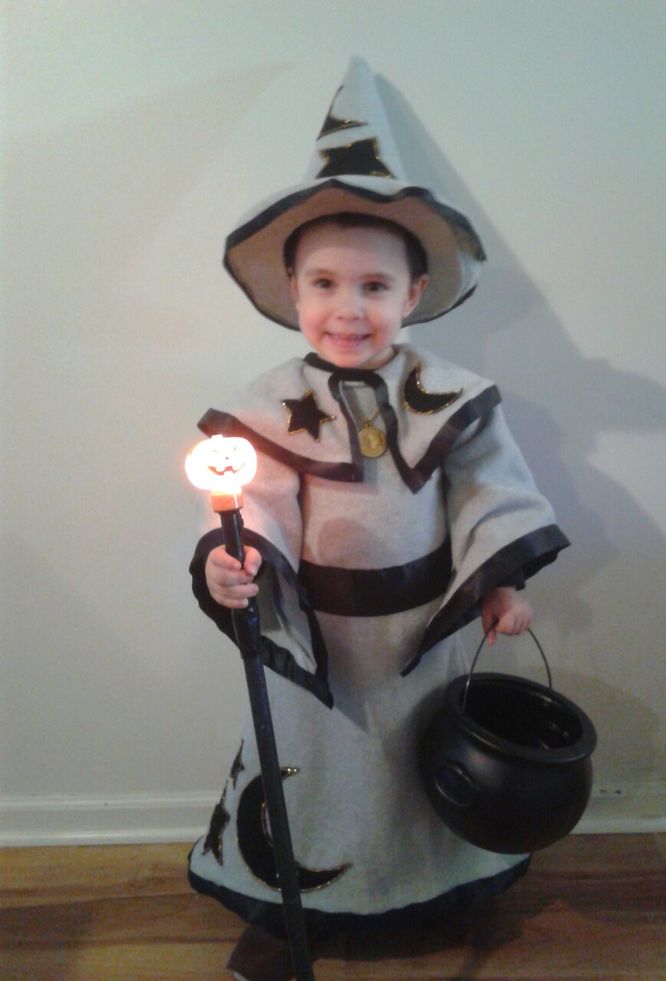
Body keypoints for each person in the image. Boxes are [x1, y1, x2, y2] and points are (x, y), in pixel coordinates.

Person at [187, 60, 569, 975]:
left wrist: (500, 580)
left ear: (412, 294)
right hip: (317, 634)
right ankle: (293, 907)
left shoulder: (451, 397)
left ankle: (437, 887)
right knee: (313, 771)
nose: (346, 308)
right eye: (323, 284)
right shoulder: (269, 405)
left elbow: (487, 488)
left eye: (372, 287)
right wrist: (233, 564)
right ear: (291, 291)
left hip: (421, 627)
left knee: (419, 764)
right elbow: (260, 500)